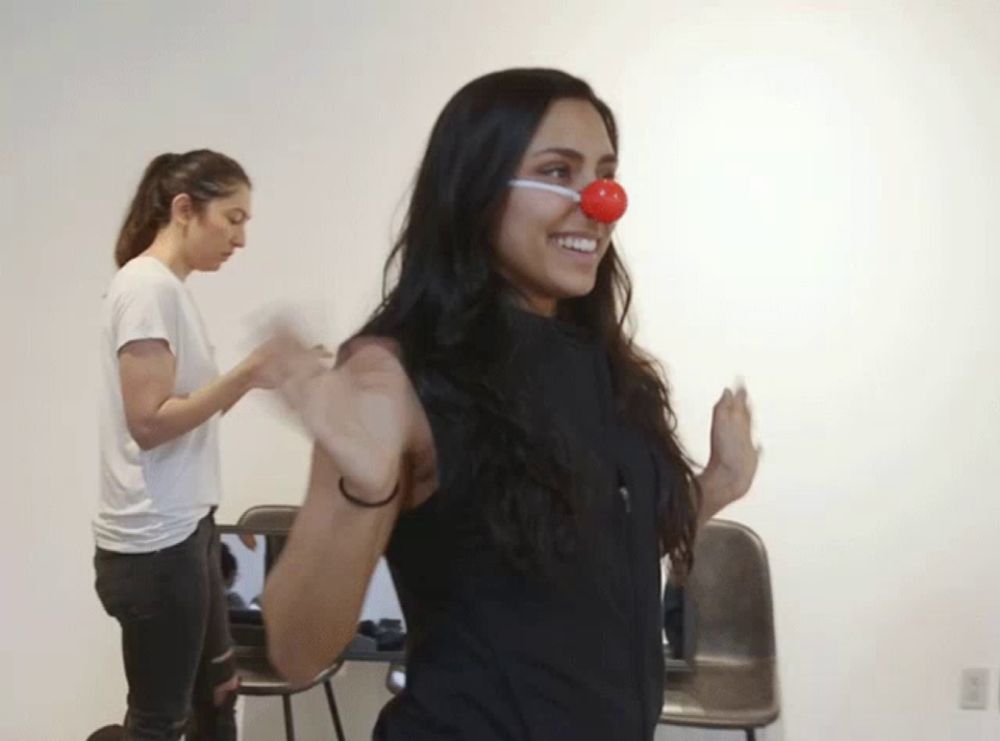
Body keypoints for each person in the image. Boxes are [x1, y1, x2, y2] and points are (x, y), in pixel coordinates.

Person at [261, 68, 760, 741]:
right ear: (475, 188)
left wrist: (713, 488)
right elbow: (297, 649)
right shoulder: (399, 375)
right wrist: (364, 487)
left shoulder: (602, 363)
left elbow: (598, 550)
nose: (600, 201)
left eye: (605, 173)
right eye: (559, 171)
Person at [93, 150, 289, 740]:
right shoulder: (147, 288)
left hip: (186, 532)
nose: (241, 238)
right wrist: (245, 373)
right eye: (232, 218)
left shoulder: (168, 291)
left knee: (216, 700)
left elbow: (187, 416)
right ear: (184, 209)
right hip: (155, 547)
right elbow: (149, 422)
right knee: (162, 722)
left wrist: (257, 379)